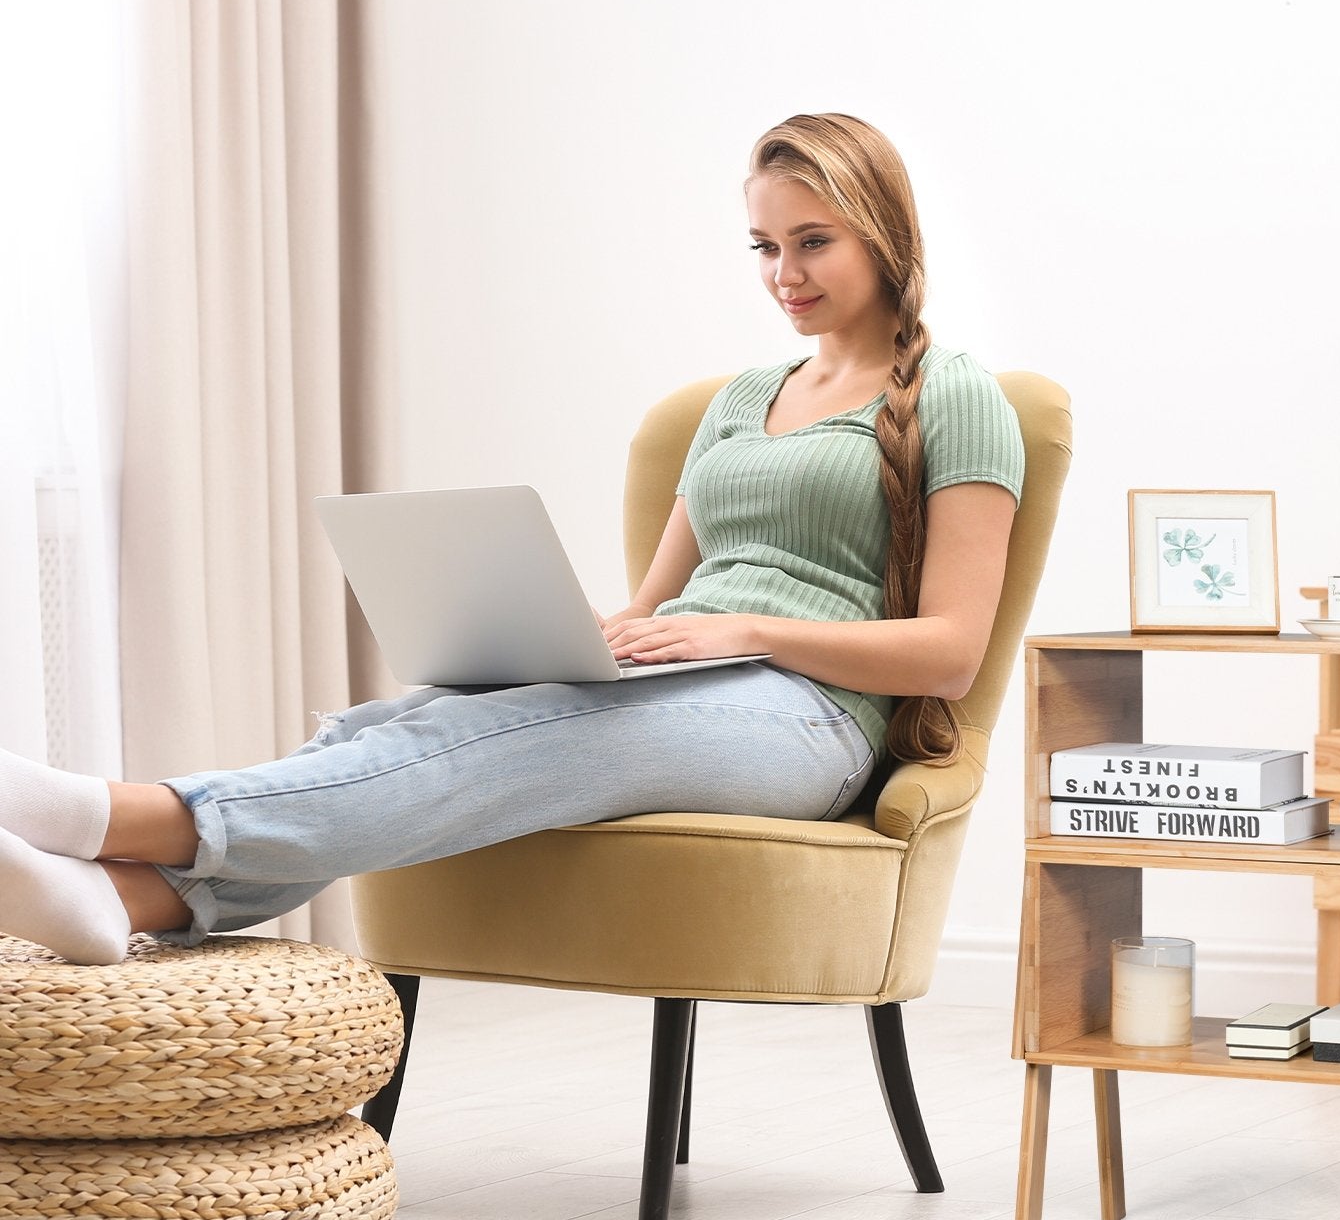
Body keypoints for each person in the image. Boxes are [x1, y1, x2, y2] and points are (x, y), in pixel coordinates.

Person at [0, 112, 1024, 966]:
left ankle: (115, 814)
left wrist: (743, 629)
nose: (782, 272)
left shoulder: (956, 399)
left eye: (812, 241)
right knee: (387, 728)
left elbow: (951, 650)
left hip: (812, 724)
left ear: (880, 232)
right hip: (690, 681)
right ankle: (128, 907)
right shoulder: (740, 400)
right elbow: (651, 608)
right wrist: (568, 632)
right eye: (763, 245)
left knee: (538, 734)